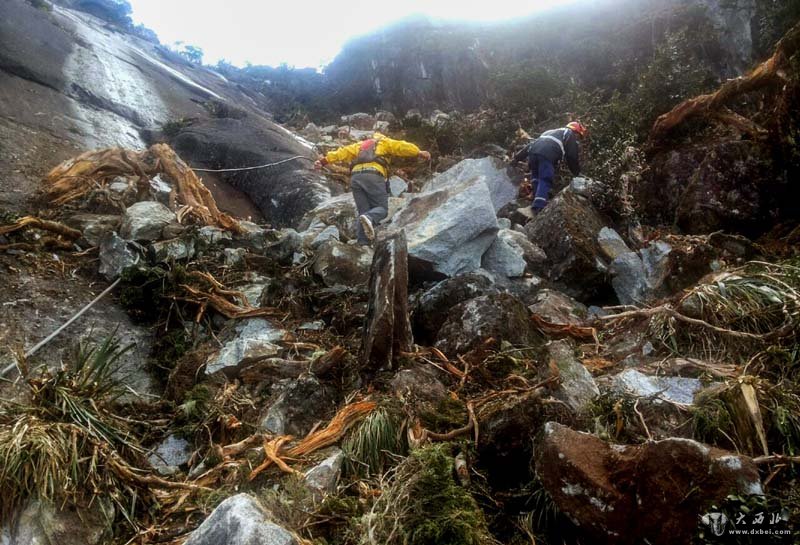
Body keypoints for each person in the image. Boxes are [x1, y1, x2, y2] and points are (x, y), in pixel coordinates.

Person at [315, 133, 430, 244]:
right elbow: (401, 146)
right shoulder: (384, 142)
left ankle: (363, 243)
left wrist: (322, 161)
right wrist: (418, 152)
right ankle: (369, 218)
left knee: (363, 213)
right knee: (382, 209)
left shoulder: (360, 145)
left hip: (355, 178)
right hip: (373, 175)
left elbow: (342, 152)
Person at [513, 121, 587, 212]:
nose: (577, 140)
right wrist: (577, 173)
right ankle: (539, 206)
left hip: (533, 153)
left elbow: (531, 145)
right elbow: (571, 156)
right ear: (576, 131)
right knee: (545, 179)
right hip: (547, 154)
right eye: (579, 137)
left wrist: (516, 158)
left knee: (536, 177)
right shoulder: (569, 133)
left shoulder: (549, 132)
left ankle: (535, 198)